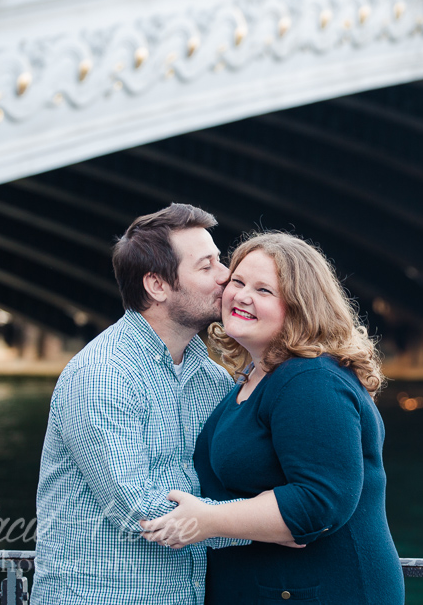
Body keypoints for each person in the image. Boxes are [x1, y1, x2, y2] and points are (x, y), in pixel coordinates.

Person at [140, 232, 406, 604]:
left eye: (264, 290)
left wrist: (208, 521)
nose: (242, 296)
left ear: (300, 306)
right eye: (238, 281)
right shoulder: (257, 377)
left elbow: (319, 501)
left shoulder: (310, 380)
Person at [33, 204, 250, 605]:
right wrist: (275, 522)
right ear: (157, 286)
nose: (226, 277)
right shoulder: (103, 376)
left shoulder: (212, 378)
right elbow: (141, 512)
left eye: (221, 261)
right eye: (207, 267)